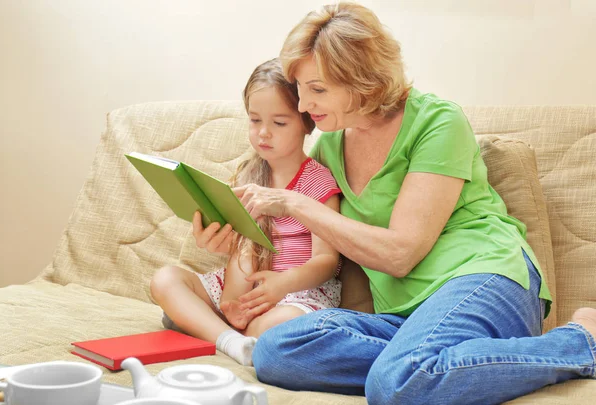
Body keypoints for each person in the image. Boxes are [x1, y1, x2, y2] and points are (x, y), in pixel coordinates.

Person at [194, 3, 596, 404]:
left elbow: (400, 253)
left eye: (317, 89)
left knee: (395, 384)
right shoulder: (330, 147)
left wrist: (295, 203)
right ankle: (430, 364)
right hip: (404, 318)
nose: (302, 106)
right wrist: (232, 240)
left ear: (363, 81)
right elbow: (302, 244)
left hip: (482, 278)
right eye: (300, 88)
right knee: (276, 351)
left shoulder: (438, 122)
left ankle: (580, 342)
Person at [150, 58, 342, 367]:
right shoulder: (246, 177)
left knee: (270, 326)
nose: (263, 133)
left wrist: (283, 284)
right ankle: (231, 340)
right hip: (242, 290)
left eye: (279, 123)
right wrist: (231, 301)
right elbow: (242, 250)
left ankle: (210, 329)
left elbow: (327, 262)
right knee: (165, 279)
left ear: (307, 122)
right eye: (255, 120)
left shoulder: (318, 181)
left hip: (295, 293)